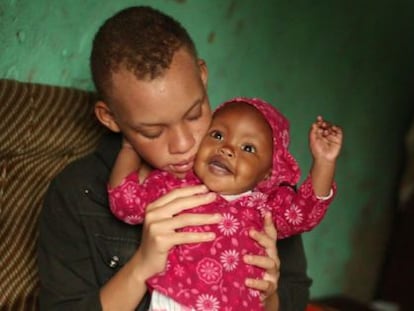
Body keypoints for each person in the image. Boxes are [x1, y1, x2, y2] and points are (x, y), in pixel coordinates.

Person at [37, 6, 314, 311]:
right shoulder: (78, 194)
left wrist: (269, 297)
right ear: (110, 118)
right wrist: (141, 267)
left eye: (194, 114)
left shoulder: (251, 176)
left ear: (203, 76)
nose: (184, 145)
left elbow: (296, 293)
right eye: (153, 132)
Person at [107, 97, 342, 310]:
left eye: (248, 148)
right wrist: (129, 149)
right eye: (218, 135)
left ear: (267, 174)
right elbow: (125, 203)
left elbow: (306, 212)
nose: (227, 149)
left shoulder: (266, 207)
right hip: (178, 299)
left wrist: (324, 162)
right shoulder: (174, 185)